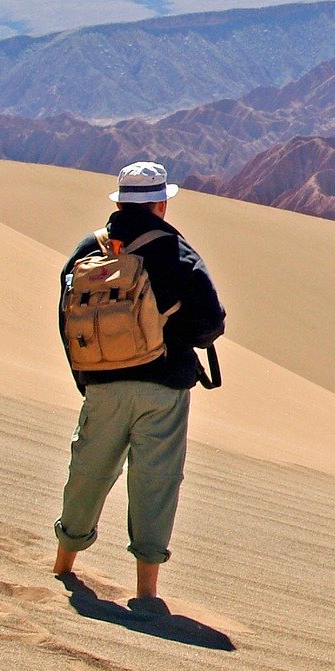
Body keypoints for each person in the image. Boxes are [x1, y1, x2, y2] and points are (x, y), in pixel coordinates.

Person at [52, 161, 225, 608]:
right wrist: (173, 335)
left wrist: (88, 376)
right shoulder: (178, 253)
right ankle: (146, 590)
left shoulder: (89, 249)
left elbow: (67, 318)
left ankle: (63, 563)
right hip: (163, 389)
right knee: (156, 481)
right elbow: (210, 323)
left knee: (88, 471)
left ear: (121, 202)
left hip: (102, 384)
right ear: (161, 204)